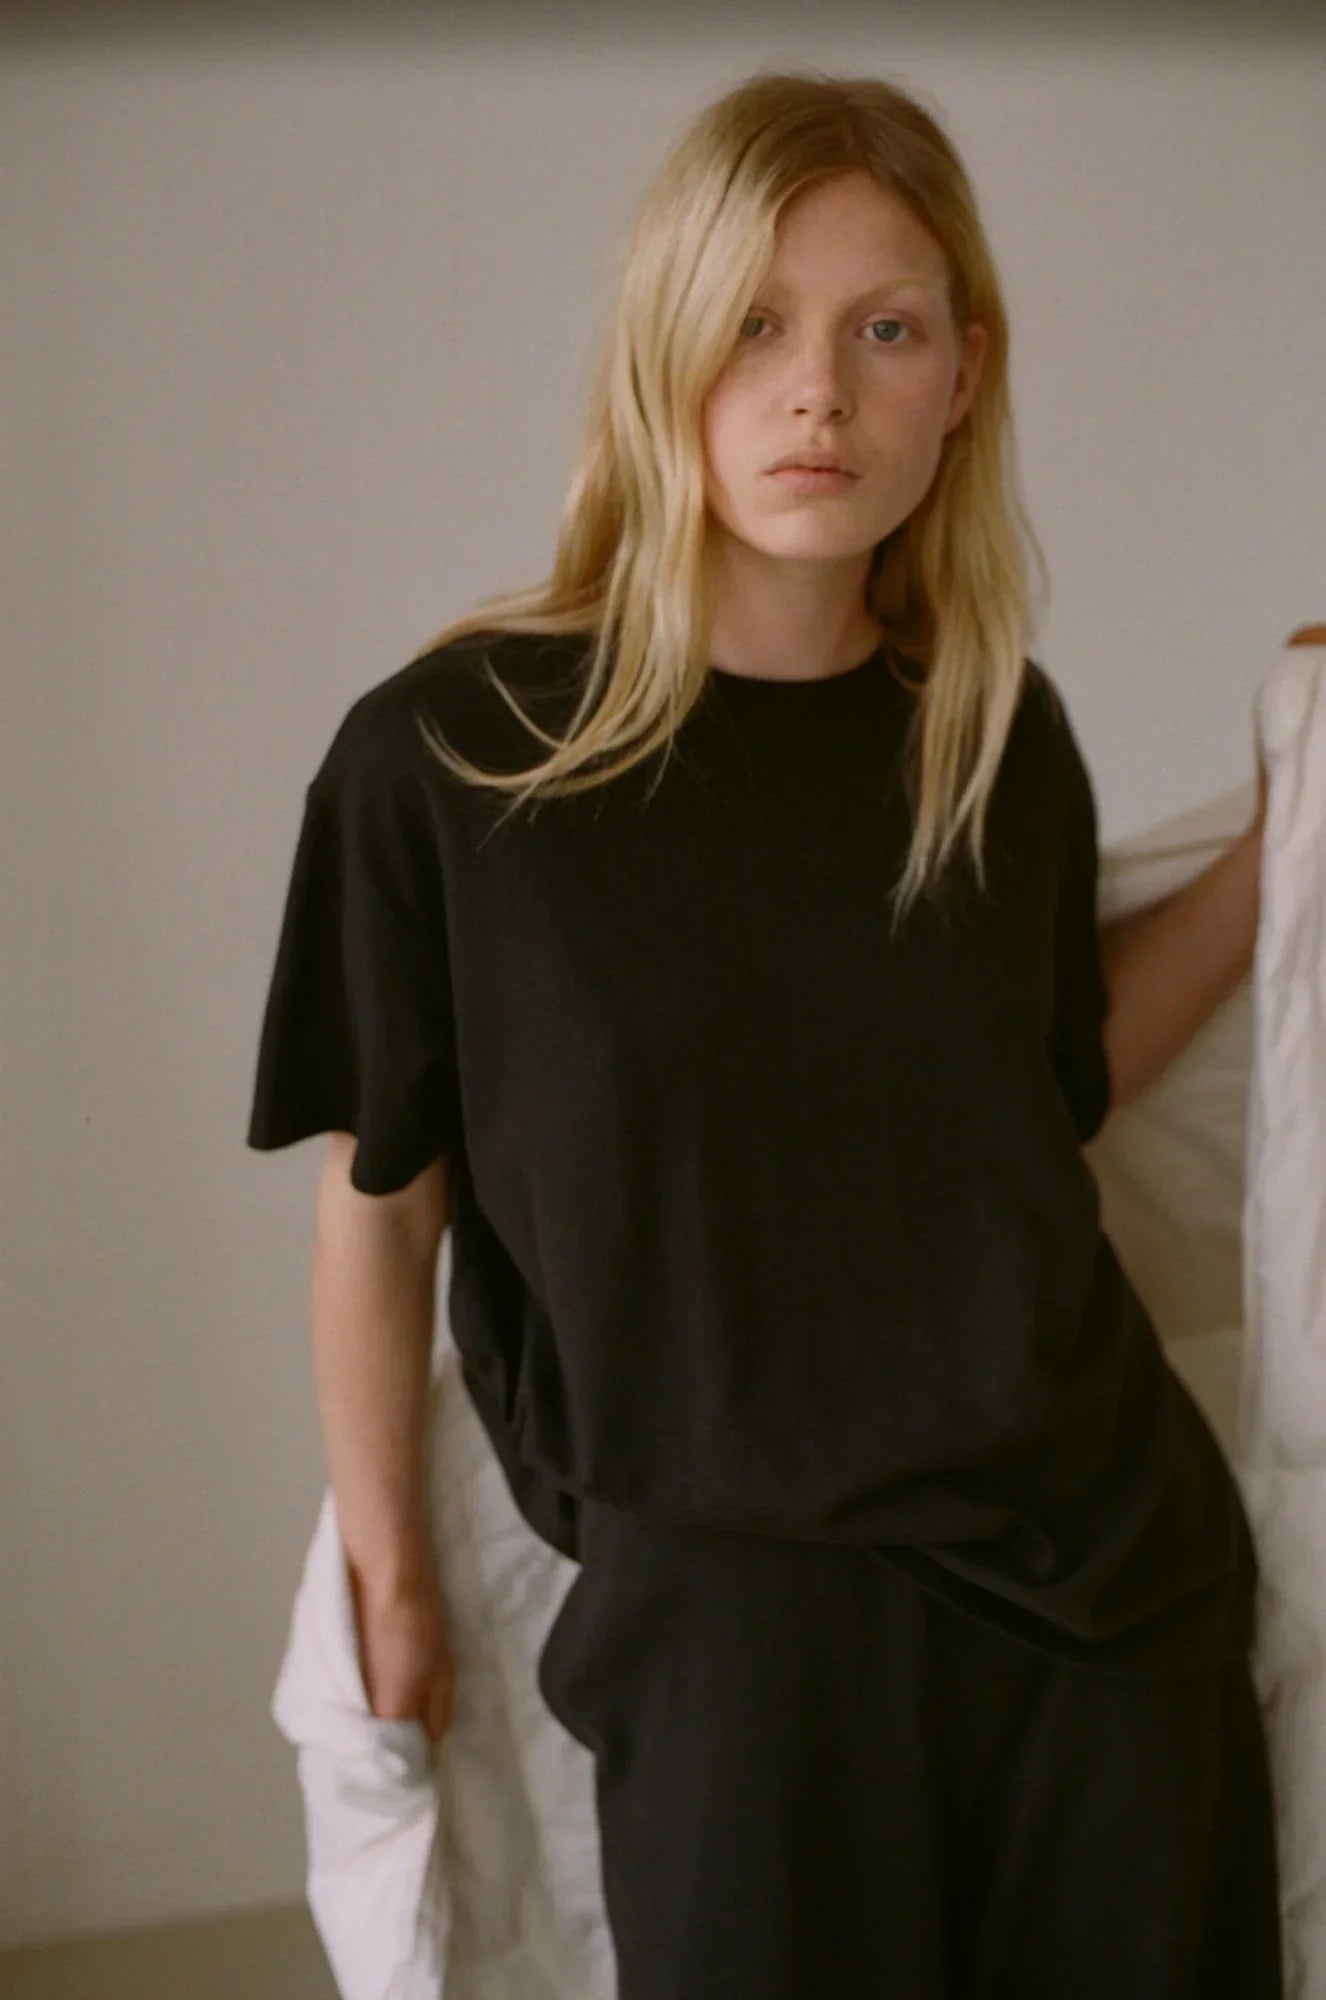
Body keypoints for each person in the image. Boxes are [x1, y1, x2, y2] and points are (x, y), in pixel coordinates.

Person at [246, 66, 1284, 1999]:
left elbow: (1042, 1098)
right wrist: (387, 1571)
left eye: (882, 330)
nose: (817, 392)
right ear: (662, 350)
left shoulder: (992, 737)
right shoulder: (450, 767)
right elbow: (381, 1207)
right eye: (752, 324)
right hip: (729, 1631)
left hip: (1105, 1594)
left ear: (960, 376)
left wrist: (1279, 847)